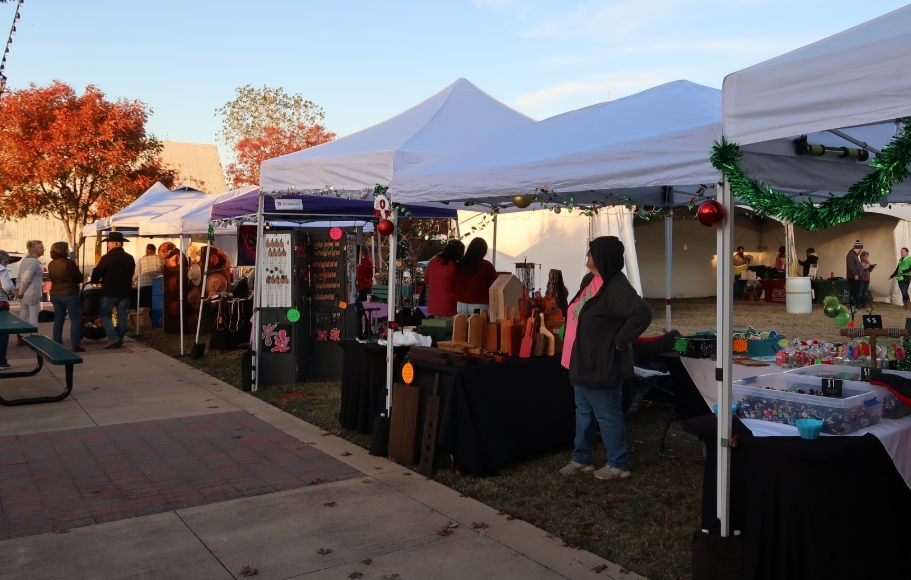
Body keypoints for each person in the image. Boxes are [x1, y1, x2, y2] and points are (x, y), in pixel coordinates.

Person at [558, 237, 652, 481]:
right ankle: (581, 459)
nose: (587, 256)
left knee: (607, 414)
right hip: (580, 362)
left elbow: (642, 312)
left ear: (602, 256)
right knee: (583, 412)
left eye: (591, 252)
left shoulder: (616, 286)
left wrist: (619, 341)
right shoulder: (590, 280)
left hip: (600, 364)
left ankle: (618, 464)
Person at [90, 232, 135, 349]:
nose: (108, 245)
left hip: (110, 290)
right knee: (122, 314)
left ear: (115, 244)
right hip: (125, 290)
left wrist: (94, 280)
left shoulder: (107, 258)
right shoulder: (129, 258)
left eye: (109, 243)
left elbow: (98, 271)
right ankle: (119, 339)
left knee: (104, 313)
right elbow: (131, 273)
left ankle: (113, 336)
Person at [48, 242, 84, 352]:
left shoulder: (51, 264)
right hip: (69, 293)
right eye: (67, 249)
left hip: (55, 294)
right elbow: (78, 278)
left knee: (58, 319)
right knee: (75, 319)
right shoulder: (69, 263)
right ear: (64, 250)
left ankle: (57, 342)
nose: (69, 251)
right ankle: (75, 344)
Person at [452, 238, 498, 315]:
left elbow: (453, 286)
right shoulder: (486, 266)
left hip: (461, 304)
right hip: (480, 304)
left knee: (461, 326)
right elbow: (495, 285)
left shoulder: (459, 265)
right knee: (478, 326)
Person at [15, 240, 45, 346]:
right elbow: (26, 278)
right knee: (33, 314)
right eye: (41, 248)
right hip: (31, 292)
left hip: (26, 292)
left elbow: (20, 276)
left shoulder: (25, 260)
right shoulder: (33, 262)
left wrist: (18, 289)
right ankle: (33, 335)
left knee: (24, 313)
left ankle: (20, 335)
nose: (43, 249)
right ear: (34, 250)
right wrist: (20, 291)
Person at [424, 240, 464, 316]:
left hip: (433, 305)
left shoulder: (433, 261)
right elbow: (459, 286)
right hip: (449, 306)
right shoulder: (454, 266)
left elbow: (426, 280)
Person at [133, 243, 162, 308]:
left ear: (146, 250)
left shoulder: (141, 259)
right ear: (155, 250)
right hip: (156, 283)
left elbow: (136, 272)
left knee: (146, 302)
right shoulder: (158, 258)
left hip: (144, 283)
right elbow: (163, 268)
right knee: (155, 301)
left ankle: (146, 316)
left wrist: (134, 278)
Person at [0, 250, 15, 370]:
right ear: (3, 261)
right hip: (1, 303)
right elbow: (7, 286)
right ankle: (1, 362)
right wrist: (12, 291)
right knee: (3, 334)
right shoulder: (2, 269)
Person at [846, 240, 865, 310]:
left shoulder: (855, 255)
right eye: (860, 249)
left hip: (856, 277)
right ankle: (852, 306)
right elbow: (851, 266)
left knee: (855, 292)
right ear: (858, 248)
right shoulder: (851, 255)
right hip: (853, 277)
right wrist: (855, 274)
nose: (860, 250)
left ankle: (854, 305)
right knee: (853, 293)